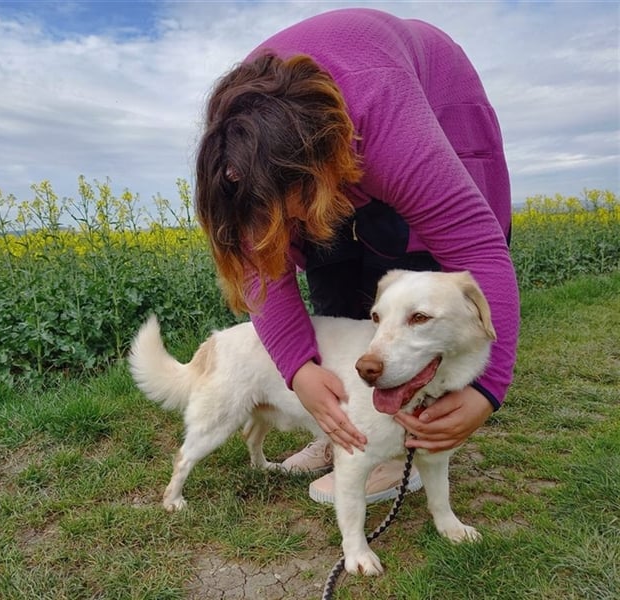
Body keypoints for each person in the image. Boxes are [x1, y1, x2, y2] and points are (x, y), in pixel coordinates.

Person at [194, 8, 519, 504]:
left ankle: (398, 451)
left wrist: (487, 389)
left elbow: (475, 249)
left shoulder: (386, 123)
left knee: (412, 281)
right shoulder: (239, 155)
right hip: (323, 141)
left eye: (293, 216)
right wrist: (299, 371)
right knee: (332, 271)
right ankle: (344, 431)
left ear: (323, 168)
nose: (287, 233)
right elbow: (260, 268)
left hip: (420, 97)